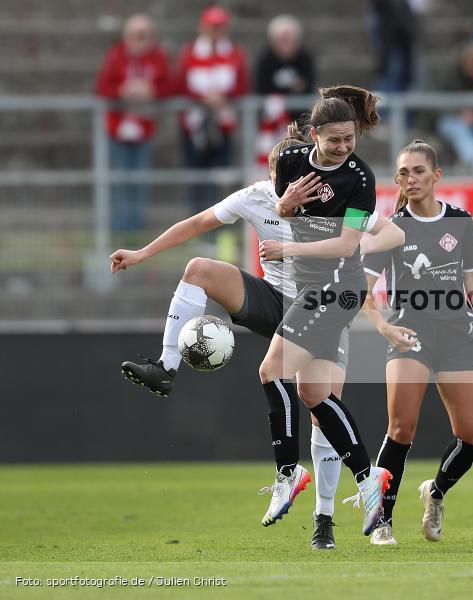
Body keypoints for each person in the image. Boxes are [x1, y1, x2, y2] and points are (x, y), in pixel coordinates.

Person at [110, 133, 404, 550]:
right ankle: (167, 365)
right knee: (199, 269)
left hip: (324, 303)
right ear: (272, 175)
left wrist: (351, 248)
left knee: (318, 401)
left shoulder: (331, 197)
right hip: (274, 302)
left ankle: (325, 518)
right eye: (281, 176)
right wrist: (142, 253)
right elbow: (197, 224)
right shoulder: (257, 195)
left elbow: (390, 234)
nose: (290, 184)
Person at [258, 85, 392, 537]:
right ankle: (368, 479)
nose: (343, 147)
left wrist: (287, 244)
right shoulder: (291, 162)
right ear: (313, 134)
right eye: (334, 139)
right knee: (314, 394)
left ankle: (287, 472)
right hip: (309, 289)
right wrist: (283, 205)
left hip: (339, 287)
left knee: (270, 370)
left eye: (349, 138)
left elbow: (349, 243)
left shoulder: (360, 178)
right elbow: (285, 209)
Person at [361, 140, 473, 545]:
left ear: (436, 176)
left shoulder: (459, 220)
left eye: (418, 171)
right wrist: (383, 327)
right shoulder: (391, 228)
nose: (410, 178)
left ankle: (435, 493)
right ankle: (381, 520)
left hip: (457, 334)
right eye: (403, 172)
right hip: (409, 332)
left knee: (472, 436)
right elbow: (363, 291)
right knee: (401, 428)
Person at [94, 13, 170, 233]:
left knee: (140, 181)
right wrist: (122, 91)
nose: (141, 40)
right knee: (119, 181)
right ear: (127, 37)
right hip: (118, 130)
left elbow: (170, 85)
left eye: (146, 35)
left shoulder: (158, 58)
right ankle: (119, 228)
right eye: (137, 35)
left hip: (144, 130)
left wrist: (151, 91)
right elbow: (102, 87)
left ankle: (136, 228)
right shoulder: (116, 56)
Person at [173, 5, 250, 214]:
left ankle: (219, 227)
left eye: (219, 27)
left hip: (223, 124)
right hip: (195, 125)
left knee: (221, 177)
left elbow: (242, 85)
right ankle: (196, 222)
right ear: (202, 27)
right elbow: (179, 85)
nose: (215, 31)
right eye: (212, 27)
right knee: (196, 176)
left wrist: (224, 97)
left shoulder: (234, 53)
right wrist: (203, 98)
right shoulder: (190, 52)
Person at [254, 15, 317, 169]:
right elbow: (262, 88)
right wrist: (292, 88)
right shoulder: (265, 59)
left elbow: (307, 86)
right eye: (282, 41)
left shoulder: (304, 58)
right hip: (271, 120)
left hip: (298, 119)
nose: (286, 46)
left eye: (290, 41)